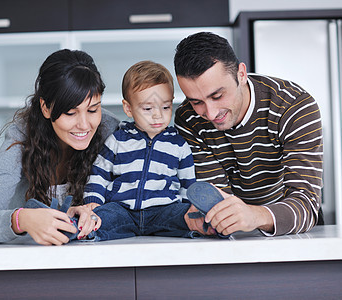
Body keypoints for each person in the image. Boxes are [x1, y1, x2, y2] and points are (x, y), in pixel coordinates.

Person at [174, 32, 323, 237]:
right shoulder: (188, 118)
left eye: (217, 96)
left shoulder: (294, 107)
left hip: (289, 226)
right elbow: (216, 196)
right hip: (234, 233)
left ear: (241, 74)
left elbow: (307, 204)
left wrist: (254, 215)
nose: (210, 113)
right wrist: (206, 212)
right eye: (196, 101)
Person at [0, 49, 120, 245]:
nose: (84, 124)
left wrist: (95, 213)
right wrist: (22, 219)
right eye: (70, 113)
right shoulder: (21, 136)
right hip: (30, 261)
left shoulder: (110, 130)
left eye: (93, 109)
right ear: (46, 107)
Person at [83, 60, 197, 241]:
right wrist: (93, 203)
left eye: (166, 107)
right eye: (147, 108)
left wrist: (191, 208)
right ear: (128, 108)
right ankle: (80, 229)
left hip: (163, 210)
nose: (158, 115)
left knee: (187, 215)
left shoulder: (179, 145)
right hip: (123, 210)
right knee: (99, 217)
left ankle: (205, 227)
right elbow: (99, 174)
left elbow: (188, 185)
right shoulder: (117, 140)